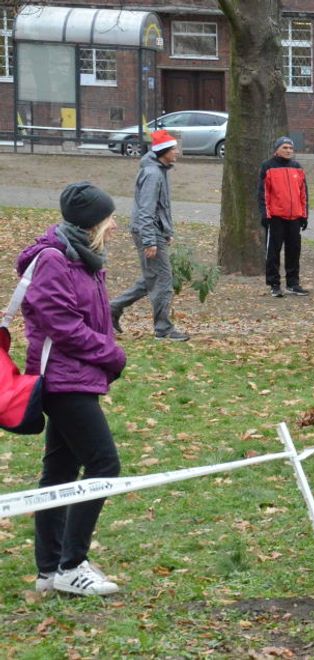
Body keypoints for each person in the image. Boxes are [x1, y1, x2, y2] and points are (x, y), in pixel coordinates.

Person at [22, 182, 127, 596]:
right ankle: (72, 564)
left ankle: (50, 570)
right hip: (63, 380)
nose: (115, 226)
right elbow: (61, 325)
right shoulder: (55, 260)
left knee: (61, 473)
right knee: (104, 465)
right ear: (91, 223)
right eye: (109, 218)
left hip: (78, 376)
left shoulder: (82, 258)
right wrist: (111, 354)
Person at [109, 129, 189, 341]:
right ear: (163, 151)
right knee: (163, 280)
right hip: (149, 232)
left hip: (154, 231)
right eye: (173, 148)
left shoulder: (159, 170)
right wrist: (150, 240)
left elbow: (160, 208)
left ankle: (112, 309)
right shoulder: (153, 174)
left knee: (150, 279)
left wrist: (166, 231)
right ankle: (163, 329)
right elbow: (146, 210)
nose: (177, 152)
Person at [259, 136, 310, 297]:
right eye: (285, 148)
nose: (288, 151)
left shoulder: (298, 168)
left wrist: (304, 215)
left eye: (291, 148)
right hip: (275, 217)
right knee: (273, 252)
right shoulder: (267, 167)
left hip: (294, 217)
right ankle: (274, 284)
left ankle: (293, 283)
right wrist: (265, 214)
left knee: (294, 250)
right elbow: (263, 193)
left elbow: (303, 193)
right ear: (277, 149)